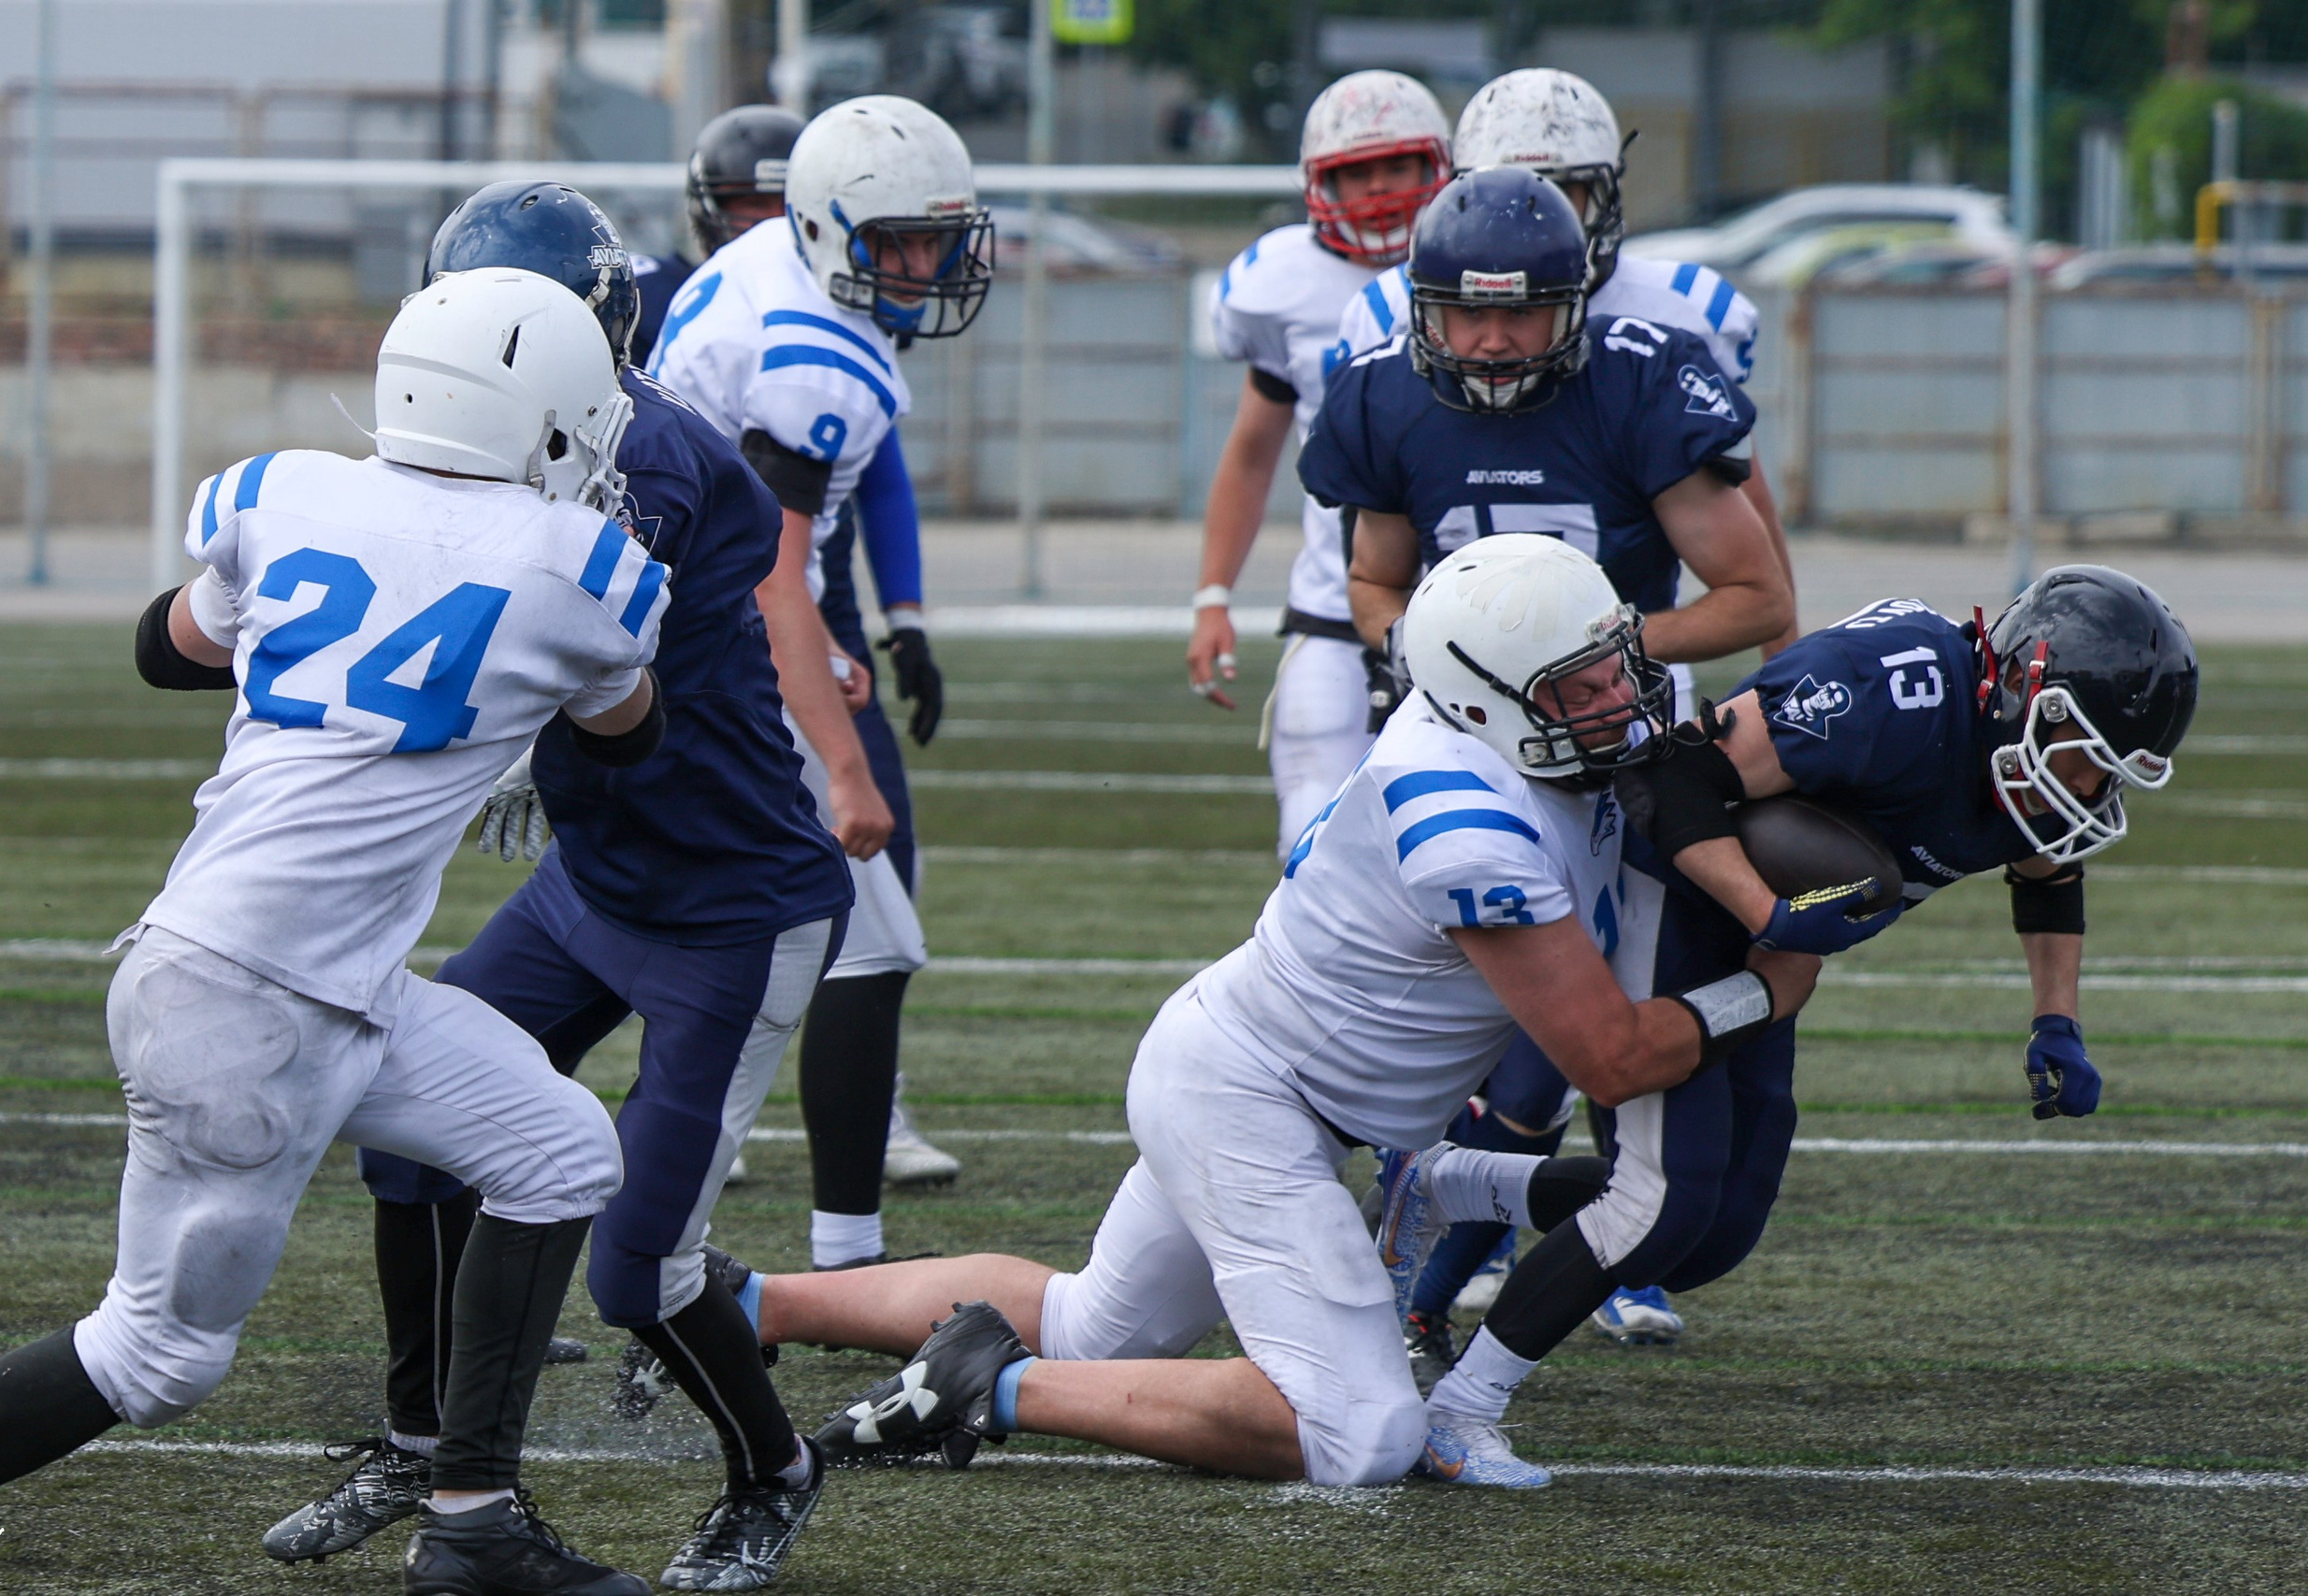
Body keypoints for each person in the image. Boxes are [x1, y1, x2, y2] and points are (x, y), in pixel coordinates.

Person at [697, 538, 1819, 1491]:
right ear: (1485, 700)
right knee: (1362, 1432)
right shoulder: (1463, 821)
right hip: (1251, 1097)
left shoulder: (1504, 736)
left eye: (1616, 664)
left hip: (1247, 1068)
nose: (1620, 699)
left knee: (1095, 1329)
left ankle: (752, 1303)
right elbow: (1609, 1059)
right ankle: (981, 1386)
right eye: (1579, 689)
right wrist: (1763, 984)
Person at [0, 268, 669, 1595]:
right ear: (543, 422)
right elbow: (632, 727)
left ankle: (475, 1516)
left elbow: (168, 645)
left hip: (308, 979)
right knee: (157, 1359)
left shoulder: (283, 493)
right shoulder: (583, 572)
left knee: (557, 1147)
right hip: (247, 1007)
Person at [263, 182, 847, 1594]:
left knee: (640, 1266)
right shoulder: (516, 425)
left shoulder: (648, 454)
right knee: (404, 1138)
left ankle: (775, 1468)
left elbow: (572, 624)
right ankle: (427, 1441)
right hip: (595, 882)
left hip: (732, 900)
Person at [1384, 567, 2200, 1483]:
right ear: (2023, 692)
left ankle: (1441, 1187)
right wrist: (1766, 915)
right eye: (2085, 754)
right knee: (1662, 1199)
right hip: (1680, 891)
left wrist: (2057, 1022)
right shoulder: (1895, 689)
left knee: (1710, 1230)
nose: (2086, 787)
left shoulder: (2031, 773)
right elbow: (1668, 777)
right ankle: (1456, 1411)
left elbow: (2049, 872)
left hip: (1765, 945)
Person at [1300, 163, 1796, 1369]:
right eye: (1465, 310)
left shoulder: (1641, 385)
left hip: (1623, 759)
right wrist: (1443, 659)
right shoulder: (1383, 395)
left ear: (1572, 301)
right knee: (1456, 1038)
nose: (1490, 336)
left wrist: (1587, 655)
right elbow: (1374, 580)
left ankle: (1461, 1234)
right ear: (1421, 306)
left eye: (1519, 308)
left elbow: (1755, 594)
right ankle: (1389, 1271)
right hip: (1463, 761)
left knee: (1646, 1120)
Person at [647, 94, 991, 1271]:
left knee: (803, 955)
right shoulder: (817, 354)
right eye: (895, 242)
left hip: (682, 614)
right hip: (703, 643)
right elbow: (768, 576)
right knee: (841, 946)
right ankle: (735, 1253)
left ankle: (709, 1243)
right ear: (830, 227)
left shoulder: (769, 261)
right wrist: (844, 771)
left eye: (935, 238)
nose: (923, 265)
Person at [1184, 68, 1451, 856]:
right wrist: (1211, 593)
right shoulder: (1281, 285)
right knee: (1312, 843)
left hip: (1475, 610)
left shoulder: (1492, 270)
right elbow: (1251, 450)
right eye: (1353, 172)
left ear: (1436, 167)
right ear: (1316, 184)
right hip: (1335, 609)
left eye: (1394, 166)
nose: (1375, 190)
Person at [630, 105, 806, 356]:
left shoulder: (853, 306)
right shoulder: (648, 298)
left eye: (791, 203)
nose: (775, 225)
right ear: (708, 208)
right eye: (755, 204)